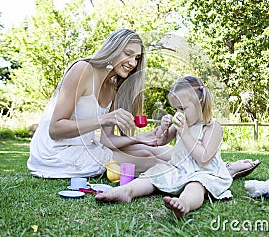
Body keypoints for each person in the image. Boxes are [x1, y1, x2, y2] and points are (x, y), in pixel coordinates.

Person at [27, 28, 260, 179]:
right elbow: (56, 129)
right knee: (149, 159)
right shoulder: (83, 70)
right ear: (113, 49)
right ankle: (220, 172)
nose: (132, 62)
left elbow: (107, 139)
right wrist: (104, 118)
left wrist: (141, 137)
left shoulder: (114, 85)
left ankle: (216, 163)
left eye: (136, 58)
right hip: (56, 153)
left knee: (150, 148)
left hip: (85, 146)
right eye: (127, 54)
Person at [95, 76, 234, 218]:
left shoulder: (211, 127)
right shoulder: (179, 124)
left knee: (195, 185)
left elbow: (203, 159)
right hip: (179, 169)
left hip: (203, 173)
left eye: (182, 108)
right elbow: (160, 141)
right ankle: (127, 191)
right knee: (155, 172)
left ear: (200, 103)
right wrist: (163, 128)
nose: (178, 113)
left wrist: (185, 134)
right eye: (175, 109)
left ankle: (184, 204)